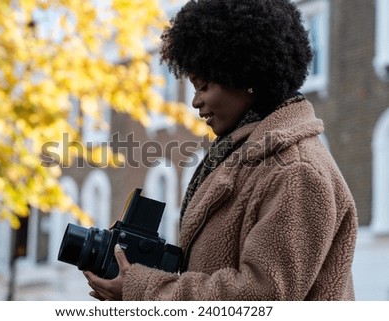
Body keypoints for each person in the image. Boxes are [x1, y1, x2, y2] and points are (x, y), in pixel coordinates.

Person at [84, 0, 358, 300]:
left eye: (204, 86)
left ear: (245, 77)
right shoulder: (240, 156)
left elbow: (262, 296)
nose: (195, 102)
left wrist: (146, 290)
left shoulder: (296, 170)